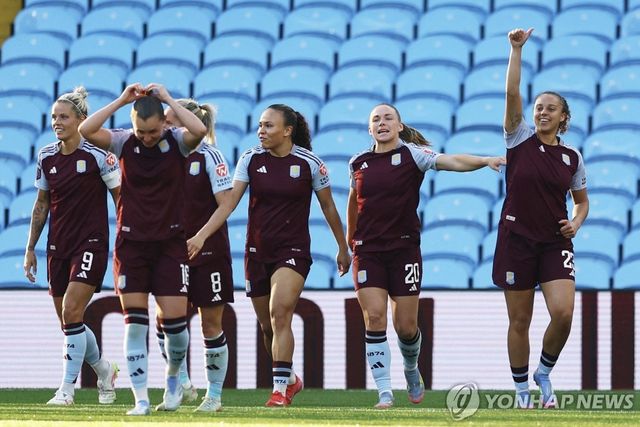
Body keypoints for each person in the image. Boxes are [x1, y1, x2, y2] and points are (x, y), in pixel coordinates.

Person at [186, 104, 351, 407]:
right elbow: (228, 203)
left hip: (293, 250)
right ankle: (290, 379)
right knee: (267, 326)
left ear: (287, 131)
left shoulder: (310, 163)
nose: (261, 131)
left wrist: (343, 246)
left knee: (280, 312)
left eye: (268, 126)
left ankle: (278, 391)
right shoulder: (250, 159)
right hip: (257, 251)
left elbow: (328, 206)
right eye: (260, 125)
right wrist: (202, 234)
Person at [347, 103, 506, 409]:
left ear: (399, 126)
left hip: (404, 250)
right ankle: (384, 391)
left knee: (406, 327)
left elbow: (451, 160)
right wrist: (347, 243)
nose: (382, 123)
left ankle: (411, 368)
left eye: (388, 118)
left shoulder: (413, 155)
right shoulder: (357, 162)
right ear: (369, 129)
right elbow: (354, 202)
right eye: (376, 119)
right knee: (375, 317)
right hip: (367, 251)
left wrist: (485, 160)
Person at [78, 83, 207, 415]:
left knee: (176, 329)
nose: (147, 138)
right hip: (131, 246)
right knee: (135, 324)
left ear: (164, 123)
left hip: (170, 245)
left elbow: (199, 130)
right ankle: (141, 400)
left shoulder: (177, 142)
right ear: (133, 126)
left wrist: (168, 99)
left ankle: (174, 378)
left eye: (152, 131)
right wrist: (122, 100)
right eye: (141, 131)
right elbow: (86, 130)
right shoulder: (123, 142)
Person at [494, 28, 589, 409]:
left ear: (563, 117)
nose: (542, 112)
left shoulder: (572, 158)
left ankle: (544, 372)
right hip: (516, 239)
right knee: (520, 321)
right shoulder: (518, 138)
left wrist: (576, 223)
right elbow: (511, 94)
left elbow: (582, 203)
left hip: (553, 241)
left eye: (551, 108)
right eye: (539, 107)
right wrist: (516, 50)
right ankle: (522, 391)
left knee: (563, 313)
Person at [23, 87, 121, 406]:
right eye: (54, 117)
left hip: (91, 243)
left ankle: (66, 390)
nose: (57, 122)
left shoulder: (99, 156)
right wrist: (30, 248)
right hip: (58, 246)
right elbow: (41, 204)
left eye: (63, 117)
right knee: (69, 322)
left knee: (71, 311)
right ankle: (104, 370)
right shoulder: (46, 156)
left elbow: (120, 200)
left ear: (81, 119)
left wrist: (125, 239)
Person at [153, 98, 233, 412]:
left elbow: (226, 203)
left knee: (210, 325)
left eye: (170, 122)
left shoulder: (209, 155)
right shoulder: (160, 156)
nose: (164, 126)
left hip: (209, 251)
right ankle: (180, 385)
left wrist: (201, 236)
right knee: (165, 320)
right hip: (172, 252)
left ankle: (214, 396)